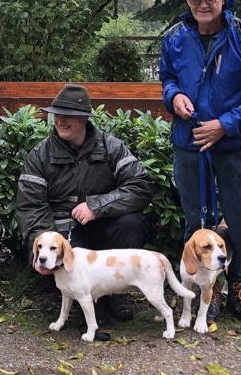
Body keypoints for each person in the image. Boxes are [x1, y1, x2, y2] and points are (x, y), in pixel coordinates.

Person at [159, 0, 241, 325]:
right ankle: (199, 292)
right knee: (195, 221)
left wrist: (225, 125)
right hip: (189, 143)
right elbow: (166, 78)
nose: (202, 3)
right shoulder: (175, 38)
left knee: (239, 222)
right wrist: (173, 96)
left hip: (235, 147)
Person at [16, 84, 154, 326]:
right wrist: (40, 250)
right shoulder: (39, 155)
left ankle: (117, 293)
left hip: (103, 226)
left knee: (132, 223)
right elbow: (30, 207)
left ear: (83, 119)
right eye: (57, 114)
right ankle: (74, 297)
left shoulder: (112, 147)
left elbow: (140, 186)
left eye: (67, 115)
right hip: (63, 235)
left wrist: (97, 207)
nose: (60, 120)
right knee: (69, 271)